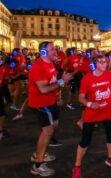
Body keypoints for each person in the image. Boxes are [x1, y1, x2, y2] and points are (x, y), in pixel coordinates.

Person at [72, 55, 111, 177]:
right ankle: (77, 166)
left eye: (106, 62)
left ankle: (110, 158)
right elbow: (81, 98)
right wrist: (90, 104)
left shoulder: (109, 75)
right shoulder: (87, 78)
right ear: (95, 63)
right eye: (101, 62)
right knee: (85, 141)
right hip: (92, 113)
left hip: (108, 112)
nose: (104, 64)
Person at [29, 41, 73, 176]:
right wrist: (62, 81)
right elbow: (43, 89)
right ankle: (38, 164)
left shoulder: (50, 64)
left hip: (51, 101)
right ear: (43, 52)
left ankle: (39, 152)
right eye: (52, 49)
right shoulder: (38, 66)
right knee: (48, 131)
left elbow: (53, 82)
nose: (56, 51)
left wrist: (58, 95)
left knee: (54, 126)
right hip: (41, 104)